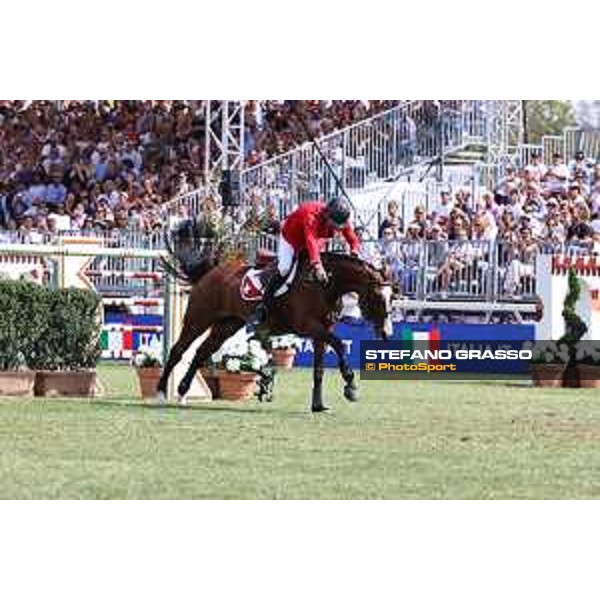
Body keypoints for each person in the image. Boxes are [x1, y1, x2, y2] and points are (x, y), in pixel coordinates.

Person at [249, 197, 361, 326]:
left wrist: (355, 252)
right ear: (327, 215)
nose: (337, 229)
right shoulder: (311, 215)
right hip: (292, 239)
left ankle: (337, 308)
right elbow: (310, 240)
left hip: (315, 240)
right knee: (284, 269)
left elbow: (353, 239)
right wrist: (317, 265)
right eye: (335, 225)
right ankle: (264, 306)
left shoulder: (339, 217)